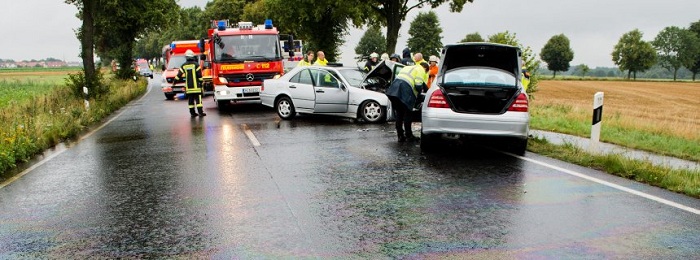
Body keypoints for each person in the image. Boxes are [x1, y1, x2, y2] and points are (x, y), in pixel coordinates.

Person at [385, 62, 429, 142]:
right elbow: (419, 84)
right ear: (425, 69)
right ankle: (409, 136)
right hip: (404, 91)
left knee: (399, 113)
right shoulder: (421, 70)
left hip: (393, 90)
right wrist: (419, 94)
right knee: (408, 114)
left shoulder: (407, 67)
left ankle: (400, 136)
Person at [175, 50, 206, 117]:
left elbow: (178, 75)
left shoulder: (183, 65)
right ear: (192, 56)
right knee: (198, 101)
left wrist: (174, 82)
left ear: (186, 57)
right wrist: (201, 82)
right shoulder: (196, 65)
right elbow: (199, 75)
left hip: (189, 88)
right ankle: (200, 113)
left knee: (190, 101)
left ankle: (192, 113)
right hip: (197, 87)